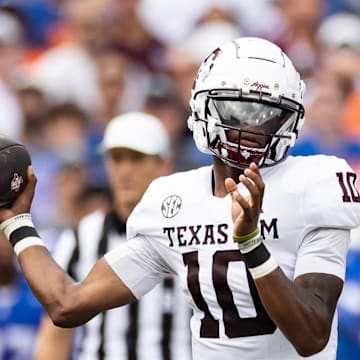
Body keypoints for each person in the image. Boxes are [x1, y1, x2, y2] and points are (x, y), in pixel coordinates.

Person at [1, 37, 360, 360]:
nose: (251, 128)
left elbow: (311, 335)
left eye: (267, 115)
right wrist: (16, 221)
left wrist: (252, 243)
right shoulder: (172, 201)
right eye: (239, 111)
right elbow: (68, 304)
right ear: (203, 109)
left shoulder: (313, 185)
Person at [33, 111, 192, 360]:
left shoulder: (189, 233)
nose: (125, 171)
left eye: (136, 158)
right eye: (117, 159)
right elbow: (54, 337)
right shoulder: (80, 237)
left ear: (165, 164)